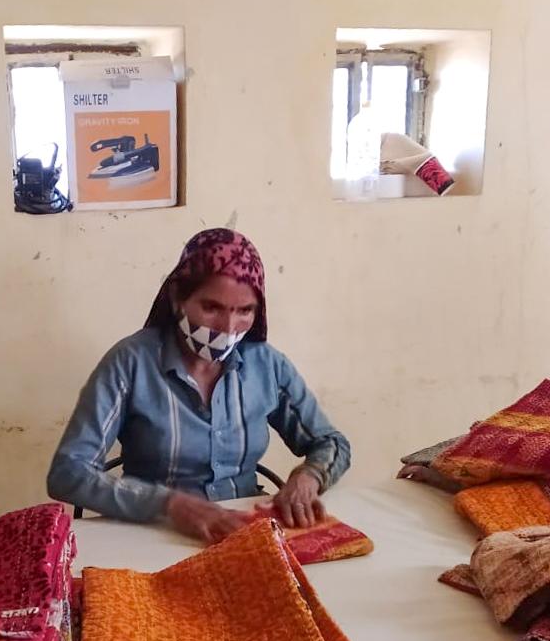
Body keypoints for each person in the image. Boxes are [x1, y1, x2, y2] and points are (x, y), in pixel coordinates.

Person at [47, 228, 350, 543]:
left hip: (244, 528)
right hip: (153, 535)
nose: (228, 328)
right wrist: (170, 504)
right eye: (211, 307)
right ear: (178, 298)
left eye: (244, 311)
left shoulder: (266, 365)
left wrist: (307, 478)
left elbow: (332, 442)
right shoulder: (131, 362)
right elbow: (68, 474)